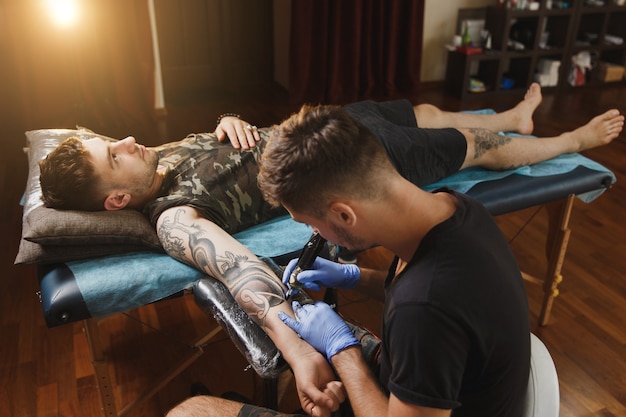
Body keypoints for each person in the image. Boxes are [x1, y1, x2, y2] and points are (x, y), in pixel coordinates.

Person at [39, 84, 623, 416]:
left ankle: (543, 133)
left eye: (310, 225)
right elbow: (241, 267)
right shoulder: (453, 214)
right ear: (116, 198)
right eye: (112, 155)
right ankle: (526, 124)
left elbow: (422, 313)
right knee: (452, 137)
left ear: (343, 215)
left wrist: (340, 346)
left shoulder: (426, 308)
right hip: (325, 150)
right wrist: (354, 288)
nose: (126, 143)